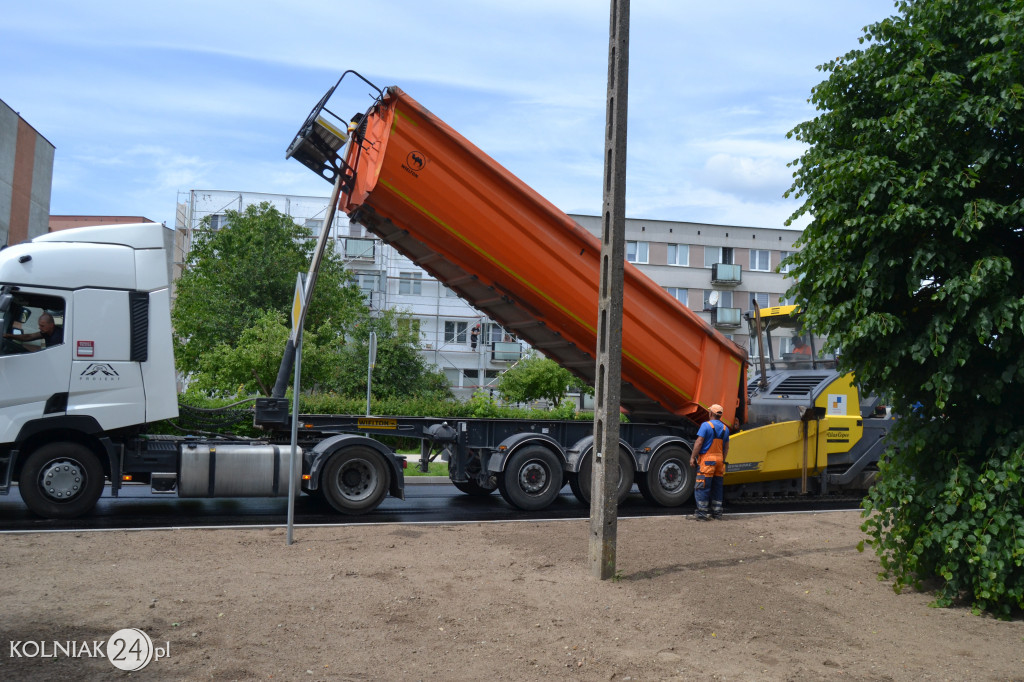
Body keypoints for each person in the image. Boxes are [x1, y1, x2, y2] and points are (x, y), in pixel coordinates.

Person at [689, 404, 729, 521]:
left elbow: (699, 442)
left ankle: (702, 513)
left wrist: (693, 457)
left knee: (702, 486)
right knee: (717, 487)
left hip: (707, 460)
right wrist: (722, 459)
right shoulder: (725, 428)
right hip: (720, 460)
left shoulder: (705, 426)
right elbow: (726, 447)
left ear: (710, 413)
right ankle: (717, 513)